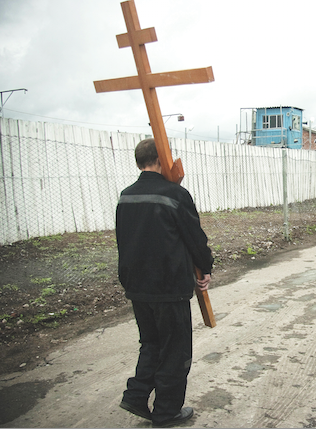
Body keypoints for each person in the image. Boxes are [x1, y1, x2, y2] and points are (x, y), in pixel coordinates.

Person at [116, 138, 213, 428]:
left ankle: (135, 395)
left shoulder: (125, 196)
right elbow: (194, 236)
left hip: (137, 286)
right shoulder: (175, 194)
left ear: (138, 162)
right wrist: (204, 268)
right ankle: (167, 412)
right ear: (161, 160)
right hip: (169, 287)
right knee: (175, 350)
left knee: (151, 343)